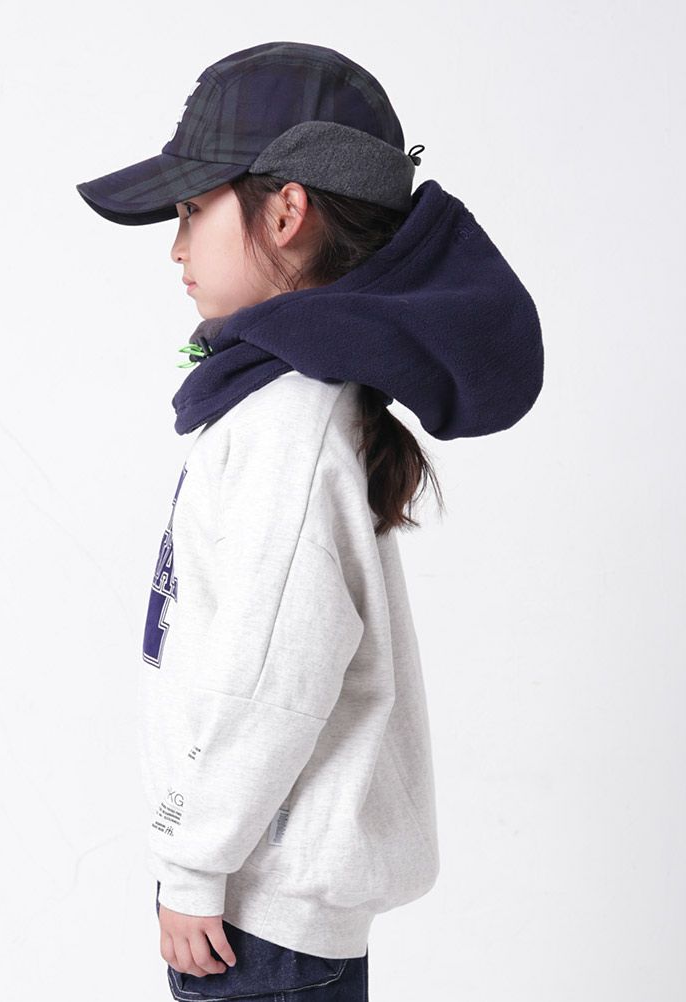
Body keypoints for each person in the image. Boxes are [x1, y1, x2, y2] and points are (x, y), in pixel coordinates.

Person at [75, 40, 543, 1001]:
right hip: (263, 906)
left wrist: (195, 865)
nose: (174, 247)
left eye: (192, 210)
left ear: (286, 212)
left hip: (257, 917)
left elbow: (269, 675)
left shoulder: (290, 420)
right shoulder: (278, 403)